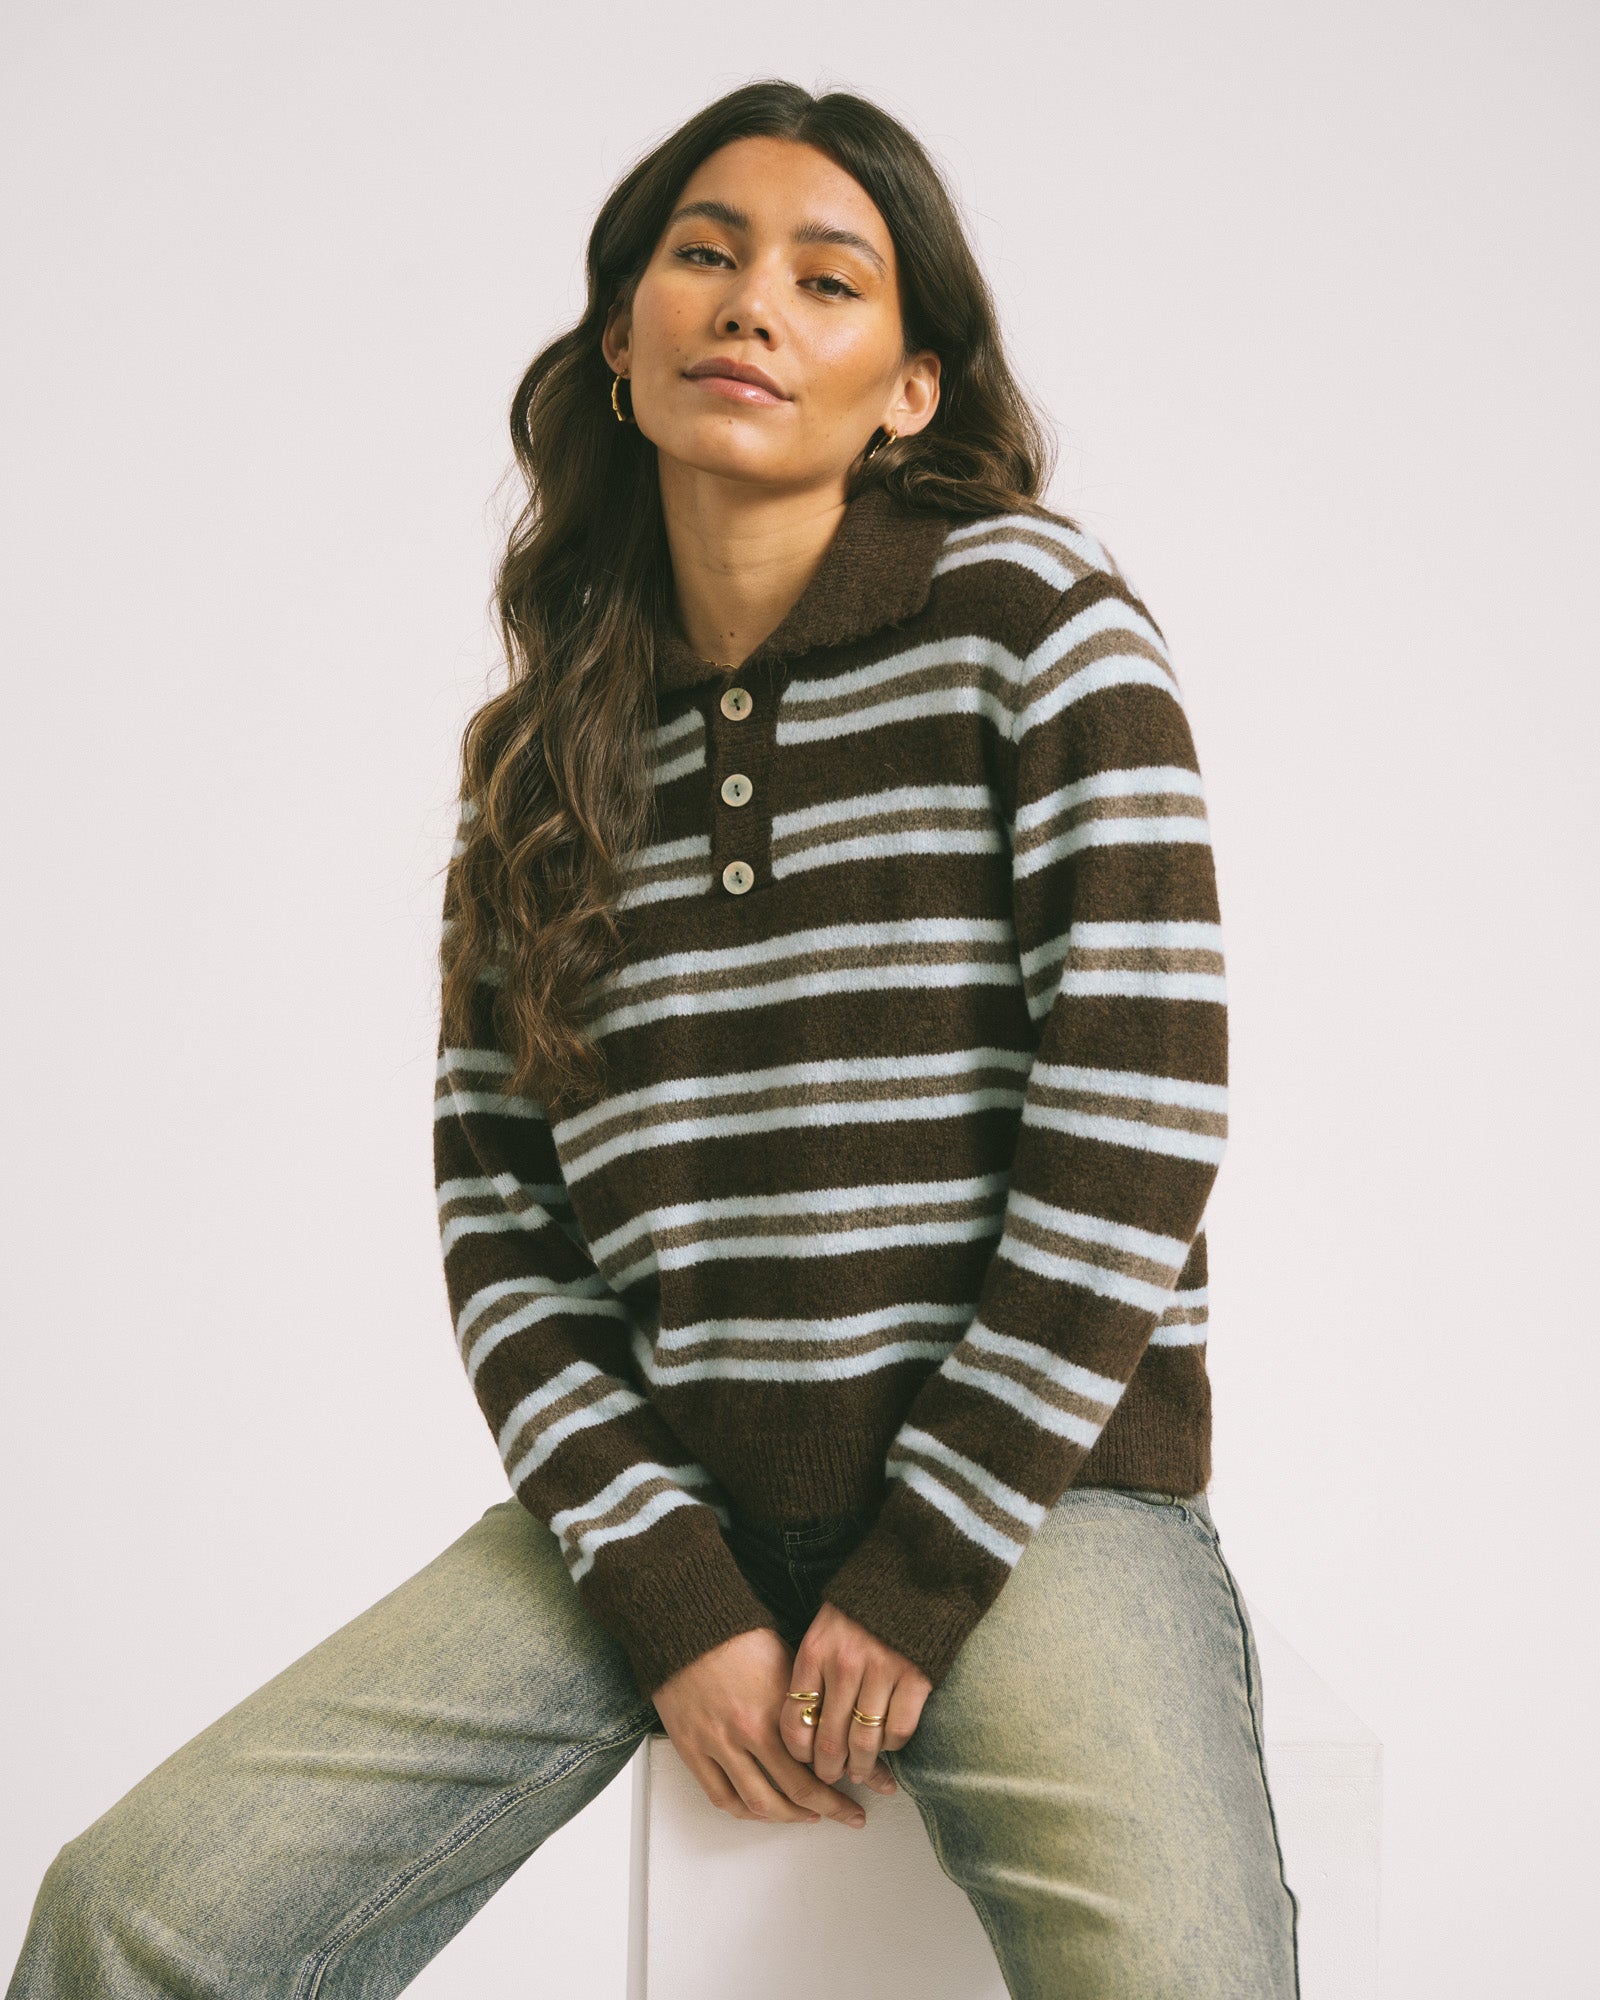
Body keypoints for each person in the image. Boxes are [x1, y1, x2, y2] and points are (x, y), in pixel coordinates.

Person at [6, 79, 1300, 2000]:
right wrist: (672, 1594)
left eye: (827, 278)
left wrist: (919, 1569)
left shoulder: (1039, 626)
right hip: (672, 1503)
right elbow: (505, 1221)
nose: (752, 301)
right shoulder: (546, 752)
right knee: (128, 1920)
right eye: (706, 254)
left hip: (1035, 1504)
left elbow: (1139, 1113)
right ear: (624, 339)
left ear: (911, 387)